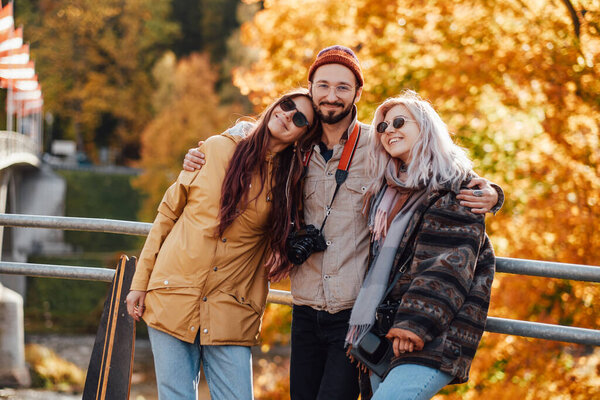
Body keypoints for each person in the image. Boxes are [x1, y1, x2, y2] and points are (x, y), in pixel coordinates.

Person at [183, 45, 503, 400]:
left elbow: (440, 171)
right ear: (311, 88)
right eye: (323, 86)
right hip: (303, 305)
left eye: (342, 87)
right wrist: (203, 152)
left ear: (357, 93)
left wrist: (491, 192)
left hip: (353, 312)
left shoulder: (379, 144)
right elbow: (252, 134)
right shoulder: (294, 143)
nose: (331, 96)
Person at [125, 89, 318, 400]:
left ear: (303, 135)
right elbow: (167, 215)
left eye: (299, 118)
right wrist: (140, 282)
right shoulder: (214, 149)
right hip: (173, 292)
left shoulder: (290, 183)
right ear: (275, 105)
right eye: (286, 105)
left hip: (232, 307)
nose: (287, 115)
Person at [346, 90, 496, 400]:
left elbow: (449, 265)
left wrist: (413, 325)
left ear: (426, 127)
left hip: (430, 334)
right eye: (383, 127)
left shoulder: (455, 187)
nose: (390, 131)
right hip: (385, 329)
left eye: (399, 121)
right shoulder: (385, 192)